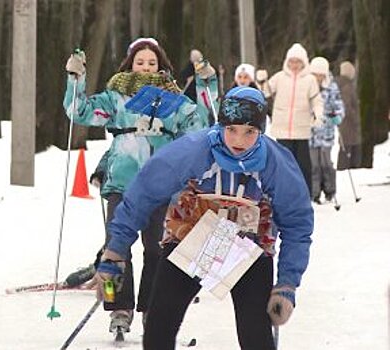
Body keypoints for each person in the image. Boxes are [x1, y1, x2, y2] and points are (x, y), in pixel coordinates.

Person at [94, 87, 313, 349]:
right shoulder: (194, 150)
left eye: (249, 132)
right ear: (220, 126)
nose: (239, 140)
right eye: (231, 129)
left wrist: (287, 284)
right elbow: (144, 193)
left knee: (256, 333)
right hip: (192, 238)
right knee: (159, 326)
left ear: (261, 131)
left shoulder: (276, 162)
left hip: (249, 246)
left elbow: (297, 224)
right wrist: (116, 250)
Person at [63, 37, 217, 335]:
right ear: (129, 64)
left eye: (152, 62)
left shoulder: (174, 101)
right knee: (117, 247)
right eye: (140, 62)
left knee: (157, 248)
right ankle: (119, 309)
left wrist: (207, 85)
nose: (146, 67)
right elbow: (78, 111)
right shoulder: (116, 96)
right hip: (123, 180)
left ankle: (151, 308)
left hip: (163, 183)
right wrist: (76, 78)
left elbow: (203, 124)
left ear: (162, 67)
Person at [257, 43, 324, 198]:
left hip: (301, 129)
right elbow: (265, 91)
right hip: (282, 129)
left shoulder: (310, 80)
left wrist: (319, 114)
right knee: (283, 164)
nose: (294, 65)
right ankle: (283, 194)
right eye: (292, 61)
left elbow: (316, 101)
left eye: (298, 61)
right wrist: (261, 80)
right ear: (287, 61)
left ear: (304, 62)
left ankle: (305, 194)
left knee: (303, 164)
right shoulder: (279, 77)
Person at [308, 57, 344, 204]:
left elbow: (339, 107)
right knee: (313, 164)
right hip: (310, 133)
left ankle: (330, 190)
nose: (318, 77)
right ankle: (314, 192)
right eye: (315, 74)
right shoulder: (308, 86)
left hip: (326, 132)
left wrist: (337, 117)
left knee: (326, 163)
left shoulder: (332, 87)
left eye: (320, 74)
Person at [335, 61, 363, 170]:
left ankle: (345, 167)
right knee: (349, 147)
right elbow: (346, 105)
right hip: (349, 123)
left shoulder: (339, 84)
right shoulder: (347, 85)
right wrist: (355, 117)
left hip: (344, 122)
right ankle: (347, 168)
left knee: (346, 147)